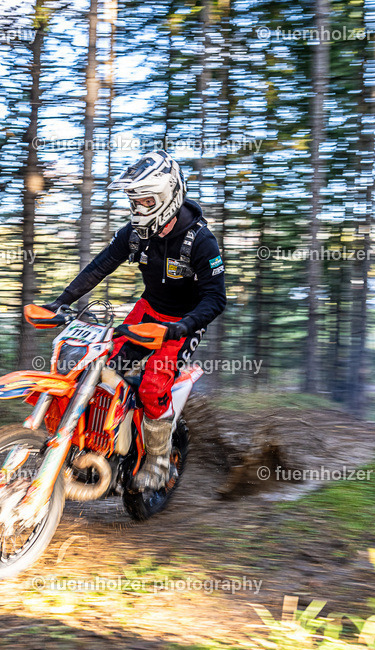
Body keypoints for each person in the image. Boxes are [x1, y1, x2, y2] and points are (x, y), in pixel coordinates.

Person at [45, 150, 226, 490]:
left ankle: (158, 461)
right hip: (147, 310)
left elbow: (217, 299)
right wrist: (61, 302)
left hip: (182, 322)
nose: (137, 209)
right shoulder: (135, 233)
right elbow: (100, 265)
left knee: (153, 384)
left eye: (145, 200)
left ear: (167, 197)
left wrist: (180, 328)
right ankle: (99, 440)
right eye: (134, 201)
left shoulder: (201, 240)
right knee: (97, 364)